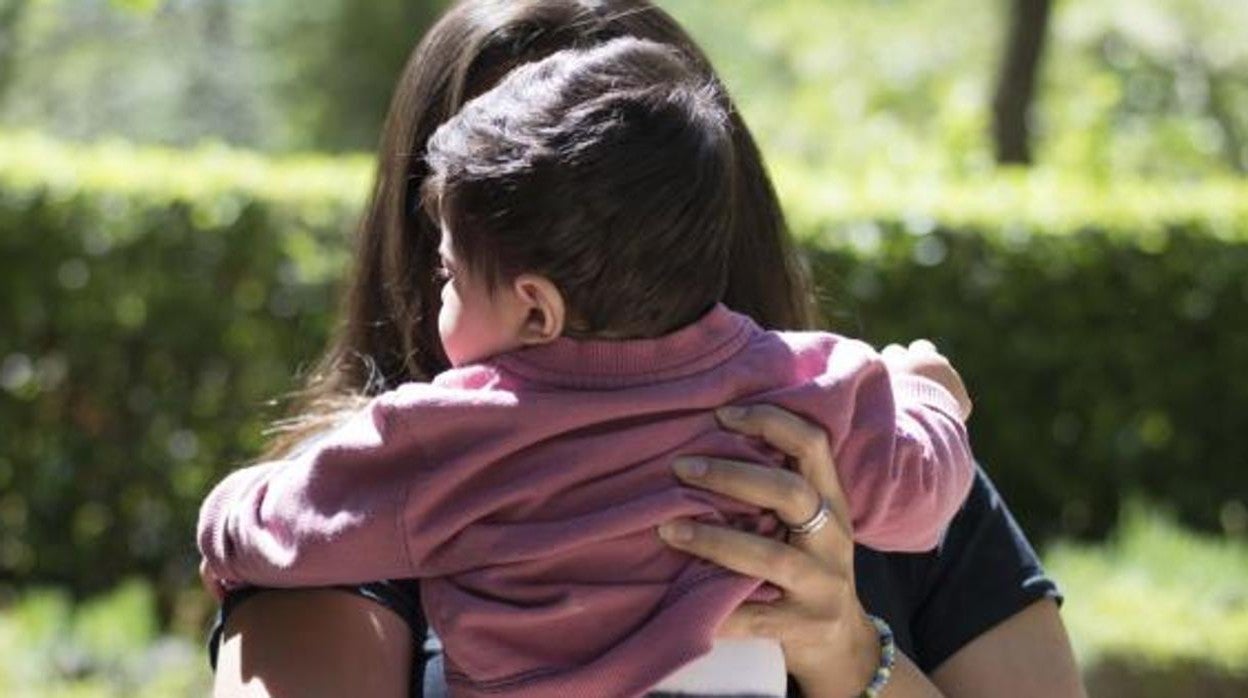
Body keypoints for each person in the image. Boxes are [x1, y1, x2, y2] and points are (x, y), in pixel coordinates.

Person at [206, 1, 1086, 697]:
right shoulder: (828, 402)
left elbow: (263, 523)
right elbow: (926, 461)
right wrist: (926, 395)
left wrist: (852, 656)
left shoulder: (412, 468)